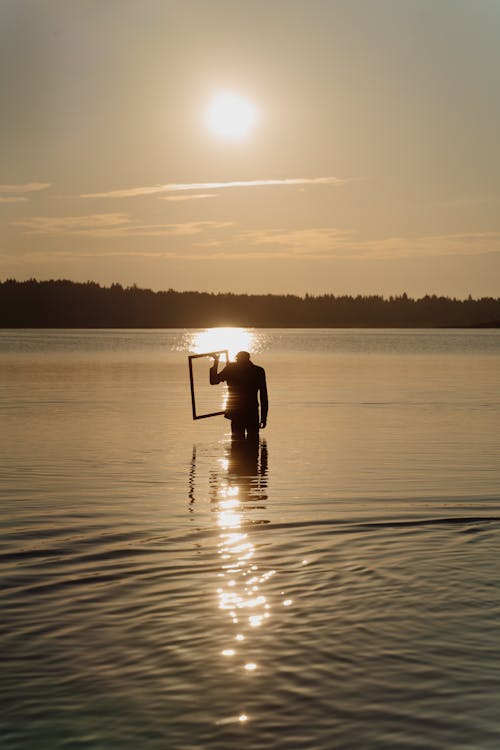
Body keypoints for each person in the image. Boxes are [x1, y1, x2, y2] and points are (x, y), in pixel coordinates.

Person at [210, 350, 268, 440]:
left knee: (237, 442)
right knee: (253, 443)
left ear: (237, 359)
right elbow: (263, 396)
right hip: (251, 411)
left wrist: (216, 362)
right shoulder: (258, 371)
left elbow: (213, 380)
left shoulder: (231, 369)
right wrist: (264, 417)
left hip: (237, 412)